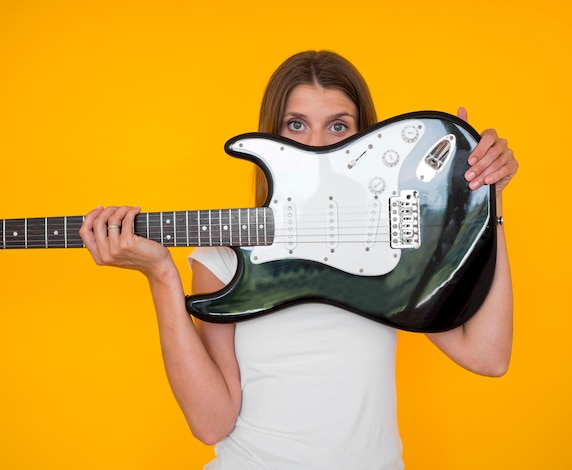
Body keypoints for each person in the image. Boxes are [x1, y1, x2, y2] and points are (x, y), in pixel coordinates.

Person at [80, 50, 518, 469]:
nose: (315, 144)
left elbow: (487, 356)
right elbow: (211, 423)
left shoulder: (387, 249)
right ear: (272, 135)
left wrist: (484, 200)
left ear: (364, 136)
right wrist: (160, 275)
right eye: (296, 125)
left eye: (338, 127)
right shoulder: (220, 260)